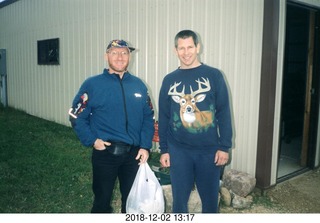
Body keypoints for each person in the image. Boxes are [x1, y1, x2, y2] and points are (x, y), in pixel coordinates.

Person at [69, 39, 155, 213]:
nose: (120, 57)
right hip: (105, 154)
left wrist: (145, 146)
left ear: (129, 56)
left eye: (124, 52)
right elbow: (76, 115)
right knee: (102, 201)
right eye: (114, 52)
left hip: (134, 155)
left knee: (132, 202)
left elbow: (148, 118)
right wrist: (92, 140)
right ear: (106, 56)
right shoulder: (93, 84)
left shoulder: (139, 85)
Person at [158, 30, 233, 213]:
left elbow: (223, 112)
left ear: (198, 47)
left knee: (209, 203)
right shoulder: (169, 81)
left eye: (190, 47)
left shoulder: (214, 75)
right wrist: (164, 150)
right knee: (179, 203)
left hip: (208, 151)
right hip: (179, 151)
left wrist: (224, 146)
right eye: (181, 48)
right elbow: (164, 117)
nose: (186, 52)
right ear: (175, 50)